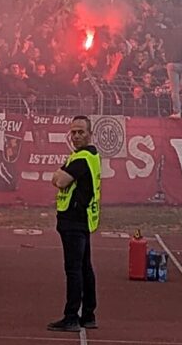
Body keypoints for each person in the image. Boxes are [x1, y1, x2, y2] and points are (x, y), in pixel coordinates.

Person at [47, 115, 101, 333]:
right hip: (81, 219)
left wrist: (61, 176)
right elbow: (60, 178)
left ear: (89, 133)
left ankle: (71, 317)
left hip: (74, 220)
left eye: (81, 132)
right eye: (74, 132)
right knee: (84, 268)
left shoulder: (82, 158)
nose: (77, 136)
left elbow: (58, 180)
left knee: (74, 270)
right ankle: (88, 315)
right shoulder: (82, 156)